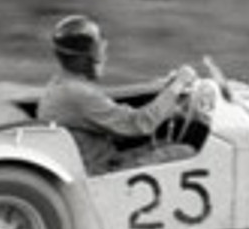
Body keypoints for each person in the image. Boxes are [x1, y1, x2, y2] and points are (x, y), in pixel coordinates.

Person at [38, 15, 195, 174]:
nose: (102, 56)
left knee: (164, 144)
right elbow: (139, 124)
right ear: (86, 57)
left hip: (97, 163)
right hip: (103, 171)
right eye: (98, 50)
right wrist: (178, 85)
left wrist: (167, 97)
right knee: (185, 152)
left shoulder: (61, 86)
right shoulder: (79, 95)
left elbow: (115, 119)